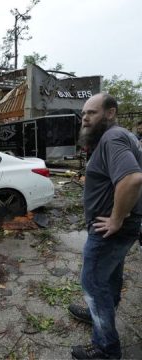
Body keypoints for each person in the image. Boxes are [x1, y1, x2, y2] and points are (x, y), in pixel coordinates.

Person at [68, 93, 142, 359]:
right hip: (123, 228)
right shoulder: (124, 136)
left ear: (110, 113)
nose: (85, 118)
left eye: (92, 112)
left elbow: (132, 179)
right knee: (109, 278)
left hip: (110, 231)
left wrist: (117, 218)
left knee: (92, 282)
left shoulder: (112, 138)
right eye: (84, 113)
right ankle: (97, 312)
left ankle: (106, 349)